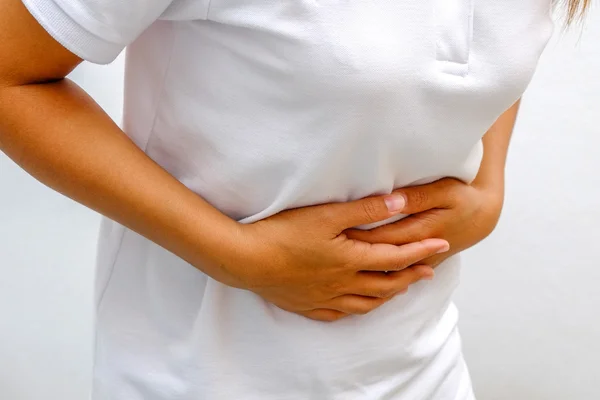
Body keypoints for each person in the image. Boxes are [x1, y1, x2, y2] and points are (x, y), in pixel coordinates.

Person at [0, 0, 586, 399]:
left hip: (424, 370)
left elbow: (492, 51)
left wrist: (491, 187)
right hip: (198, 376)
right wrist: (235, 254)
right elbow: (11, 76)